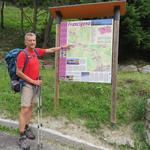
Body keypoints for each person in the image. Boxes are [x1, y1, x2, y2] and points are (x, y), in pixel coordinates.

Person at [16, 32, 69, 150]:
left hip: (36, 85)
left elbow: (49, 50)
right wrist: (33, 82)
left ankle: (26, 127)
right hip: (27, 85)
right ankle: (21, 136)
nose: (32, 42)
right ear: (25, 42)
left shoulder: (36, 51)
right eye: (30, 40)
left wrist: (62, 47)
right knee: (24, 109)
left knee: (30, 107)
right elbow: (18, 72)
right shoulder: (22, 54)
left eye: (34, 40)